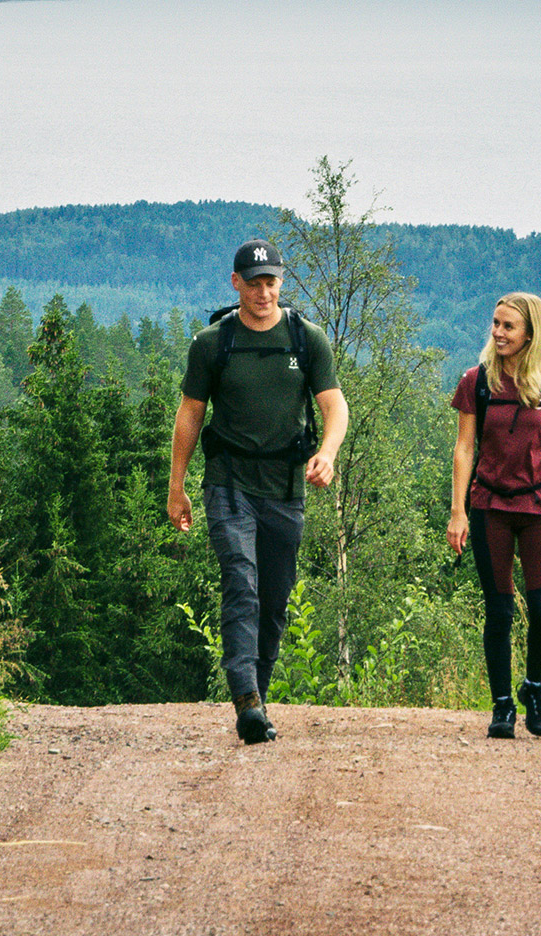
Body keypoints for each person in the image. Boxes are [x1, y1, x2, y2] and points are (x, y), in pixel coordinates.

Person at [168, 238, 348, 745]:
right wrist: (176, 485)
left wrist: (328, 453)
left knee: (274, 598)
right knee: (241, 581)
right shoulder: (212, 343)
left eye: (271, 281)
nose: (263, 292)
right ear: (236, 284)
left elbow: (335, 406)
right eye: (253, 283)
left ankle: (258, 700)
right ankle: (245, 696)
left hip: (286, 485)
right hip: (228, 481)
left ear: (281, 282)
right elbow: (190, 414)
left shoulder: (306, 339)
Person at [446, 292, 541, 739]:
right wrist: (457, 512)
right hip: (489, 506)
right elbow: (464, 448)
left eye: (508, 326)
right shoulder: (477, 381)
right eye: (495, 324)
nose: (497, 333)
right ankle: (501, 705)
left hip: (538, 507)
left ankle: (534, 688)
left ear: (531, 334)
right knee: (498, 609)